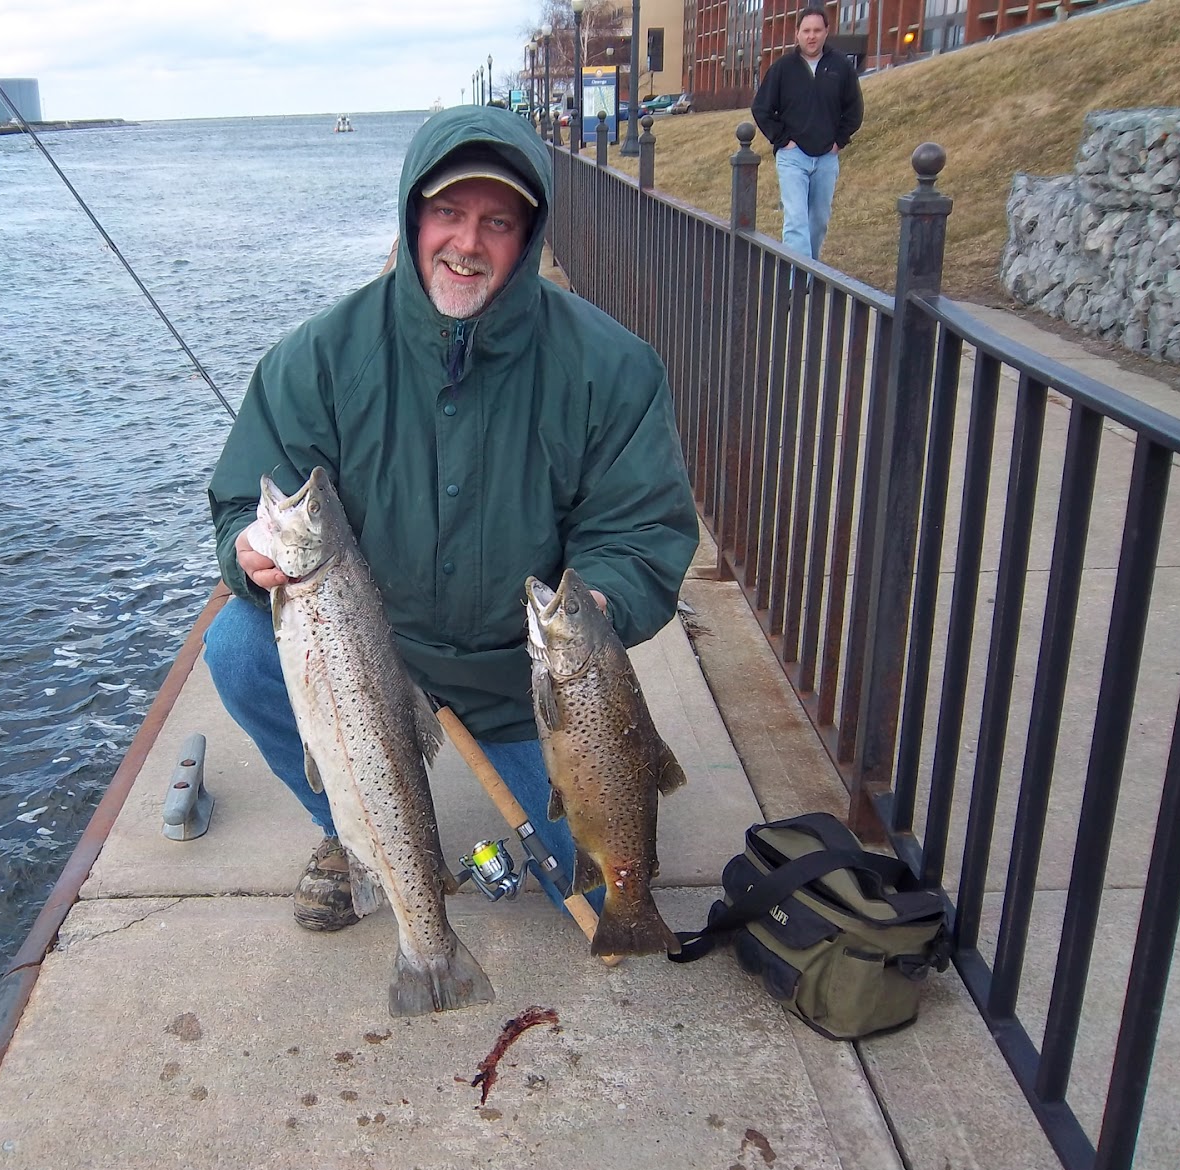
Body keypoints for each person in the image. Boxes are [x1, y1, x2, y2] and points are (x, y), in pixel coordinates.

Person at [203, 105, 699, 933]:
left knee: (604, 892)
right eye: (448, 213)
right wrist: (244, 551)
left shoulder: (613, 369)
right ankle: (351, 836)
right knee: (238, 644)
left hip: (528, 681)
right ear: (412, 215)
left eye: (496, 222)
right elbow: (237, 509)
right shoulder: (319, 357)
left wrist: (597, 612)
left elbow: (641, 532)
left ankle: (540, 813)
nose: (467, 243)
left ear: (530, 236)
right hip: (376, 659)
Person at [750, 4, 864, 262]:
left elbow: (854, 110)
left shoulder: (841, 67)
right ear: (797, 34)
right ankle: (797, 284)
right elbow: (761, 108)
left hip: (826, 157)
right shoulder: (783, 69)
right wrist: (782, 141)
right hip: (793, 157)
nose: (811, 36)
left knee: (818, 222)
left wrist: (838, 141)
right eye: (806, 31)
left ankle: (810, 271)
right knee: (796, 221)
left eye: (817, 30)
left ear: (826, 32)